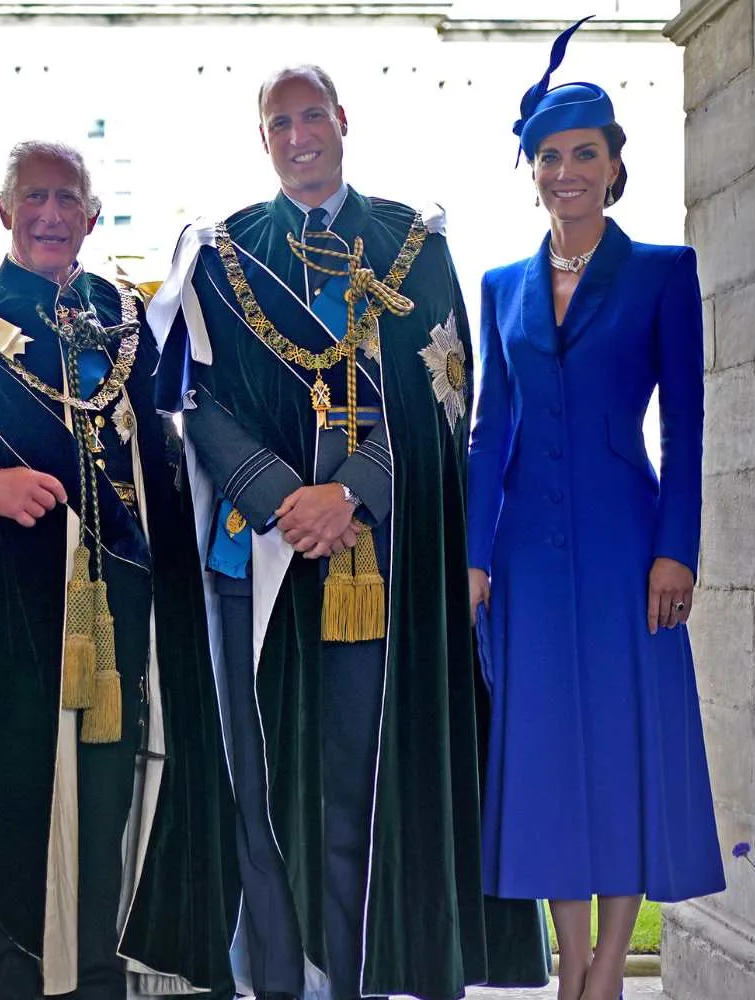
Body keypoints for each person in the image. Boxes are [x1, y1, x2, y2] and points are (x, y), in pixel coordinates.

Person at [147, 66, 547, 1000]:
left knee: (358, 781)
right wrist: (284, 494)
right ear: (264, 138)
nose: (298, 136)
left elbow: (449, 398)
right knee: (262, 786)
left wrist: (351, 497)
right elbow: (194, 401)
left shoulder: (414, 245)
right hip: (257, 556)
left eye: (312, 116)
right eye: (278, 122)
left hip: (378, 564)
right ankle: (275, 982)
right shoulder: (222, 252)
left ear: (342, 122)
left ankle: (360, 978)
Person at [0, 140, 236, 1000]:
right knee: (19, 795)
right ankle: (18, 973)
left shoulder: (123, 315)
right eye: (35, 197)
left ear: (93, 218)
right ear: (4, 210)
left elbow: (165, 449)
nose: (53, 215)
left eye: (70, 200)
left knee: (114, 792)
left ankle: (99, 971)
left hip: (127, 605)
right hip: (10, 607)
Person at [466, 17, 725, 1000]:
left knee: (620, 747)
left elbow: (689, 426)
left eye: (586, 154)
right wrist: (475, 551)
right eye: (550, 156)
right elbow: (492, 428)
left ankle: (610, 968)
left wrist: (679, 550)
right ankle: (568, 959)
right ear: (530, 170)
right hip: (525, 554)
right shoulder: (501, 288)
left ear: (616, 166)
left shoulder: (664, 273)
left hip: (628, 547)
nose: (567, 170)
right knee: (541, 756)